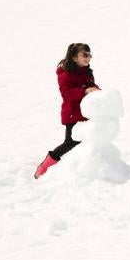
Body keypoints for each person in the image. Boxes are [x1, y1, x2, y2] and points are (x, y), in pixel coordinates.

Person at [34, 43, 100, 179]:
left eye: (90, 55)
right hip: (73, 114)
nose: (88, 58)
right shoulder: (66, 73)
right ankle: (44, 167)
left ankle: (84, 169)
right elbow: (66, 94)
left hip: (86, 113)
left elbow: (90, 85)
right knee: (70, 143)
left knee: (89, 141)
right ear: (75, 57)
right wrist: (85, 91)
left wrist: (95, 89)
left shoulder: (87, 71)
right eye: (85, 55)